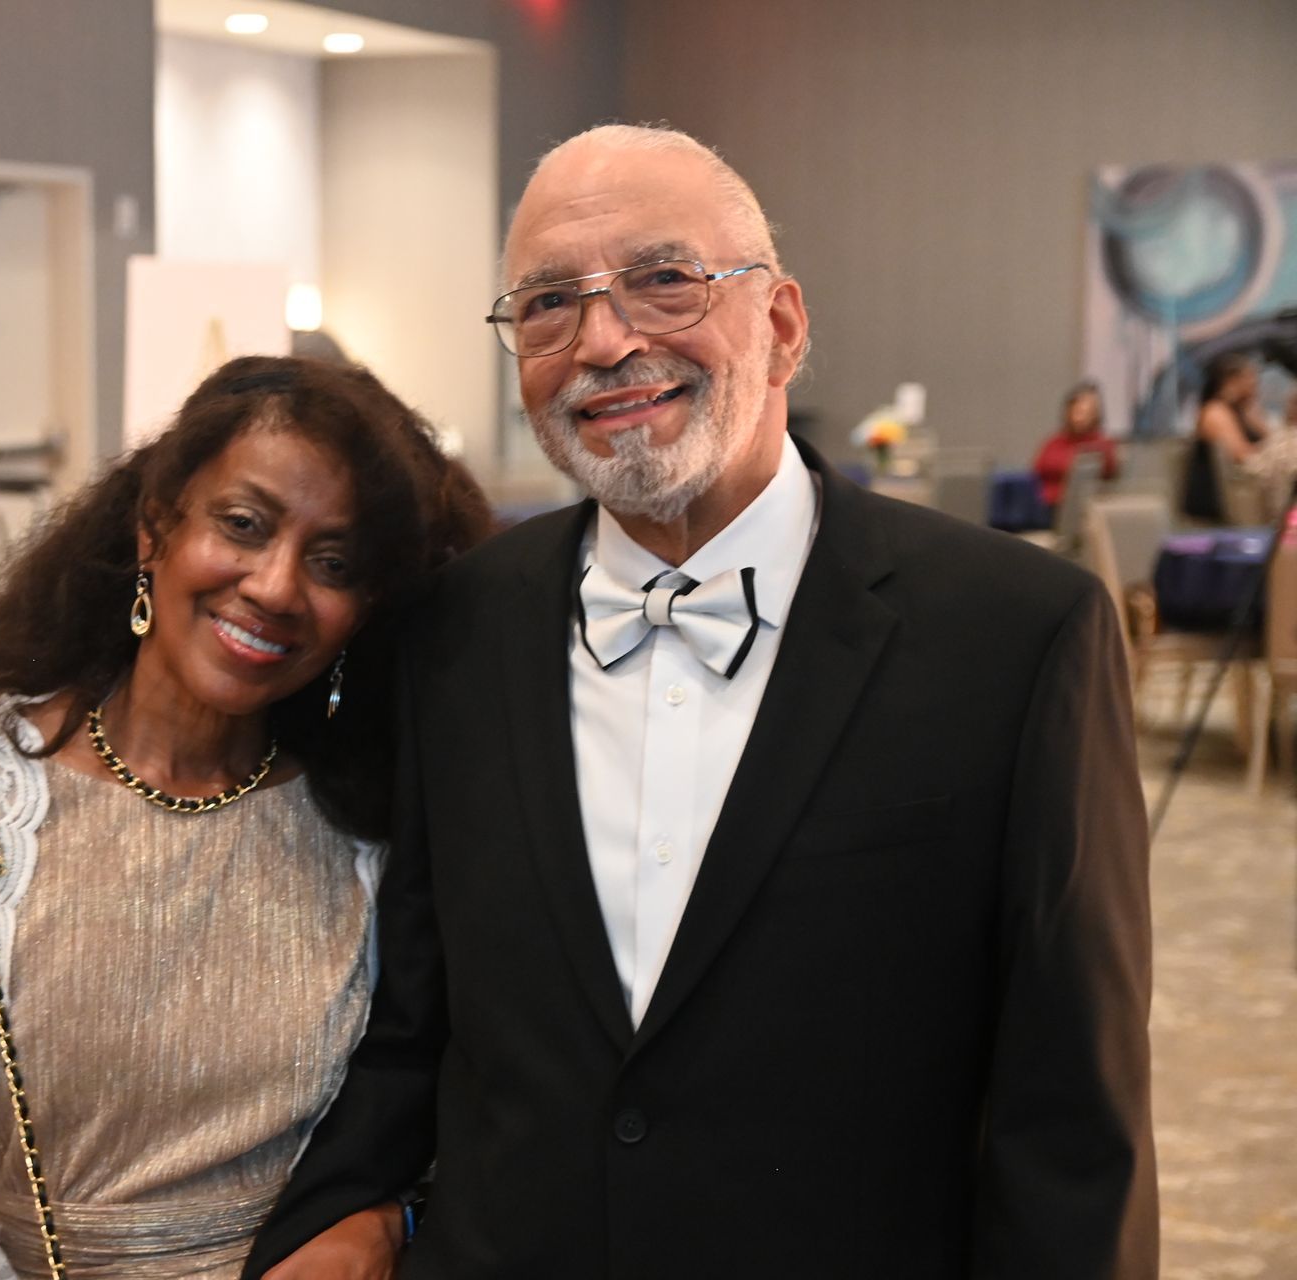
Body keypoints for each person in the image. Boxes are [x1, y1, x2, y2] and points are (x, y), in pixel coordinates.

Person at [246, 124, 1156, 1279]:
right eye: (549, 304)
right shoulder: (453, 630)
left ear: (782, 324)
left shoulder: (1015, 635)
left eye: (664, 279)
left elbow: (1072, 1117)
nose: (604, 341)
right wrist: (340, 1212)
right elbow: (418, 1018)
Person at [0, 354, 491, 1280]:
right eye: (244, 525)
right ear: (155, 526)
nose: (276, 586)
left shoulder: (373, 831)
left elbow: (470, 1103)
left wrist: (386, 1221)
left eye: (333, 563)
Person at [1183, 353, 1268, 521]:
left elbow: (1270, 438)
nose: (1255, 384)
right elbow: (1242, 455)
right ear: (1231, 381)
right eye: (1250, 378)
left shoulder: (1244, 411)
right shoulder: (1215, 412)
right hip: (1221, 497)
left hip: (1244, 488)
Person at [1032, 380, 1119, 508]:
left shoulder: (1101, 444)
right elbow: (1037, 469)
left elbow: (1099, 468)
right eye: (1078, 411)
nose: (1080, 418)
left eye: (1087, 412)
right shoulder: (1055, 441)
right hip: (1043, 503)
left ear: (1095, 414)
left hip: (1078, 506)